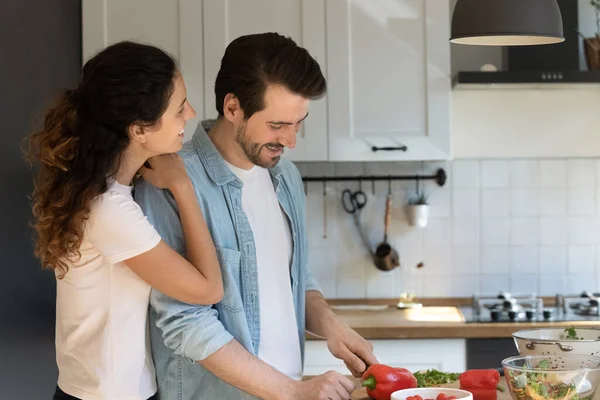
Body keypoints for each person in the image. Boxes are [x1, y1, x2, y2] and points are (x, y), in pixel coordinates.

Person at [135, 32, 378, 400]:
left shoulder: (286, 177)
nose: (292, 140)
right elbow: (184, 321)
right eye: (278, 126)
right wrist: (292, 391)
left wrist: (330, 326)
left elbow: (297, 275)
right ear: (233, 108)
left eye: (299, 122)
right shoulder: (170, 180)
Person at [25, 41, 224, 400]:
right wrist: (182, 186)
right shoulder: (109, 210)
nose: (191, 114)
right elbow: (209, 290)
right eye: (179, 108)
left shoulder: (99, 189)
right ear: (139, 130)